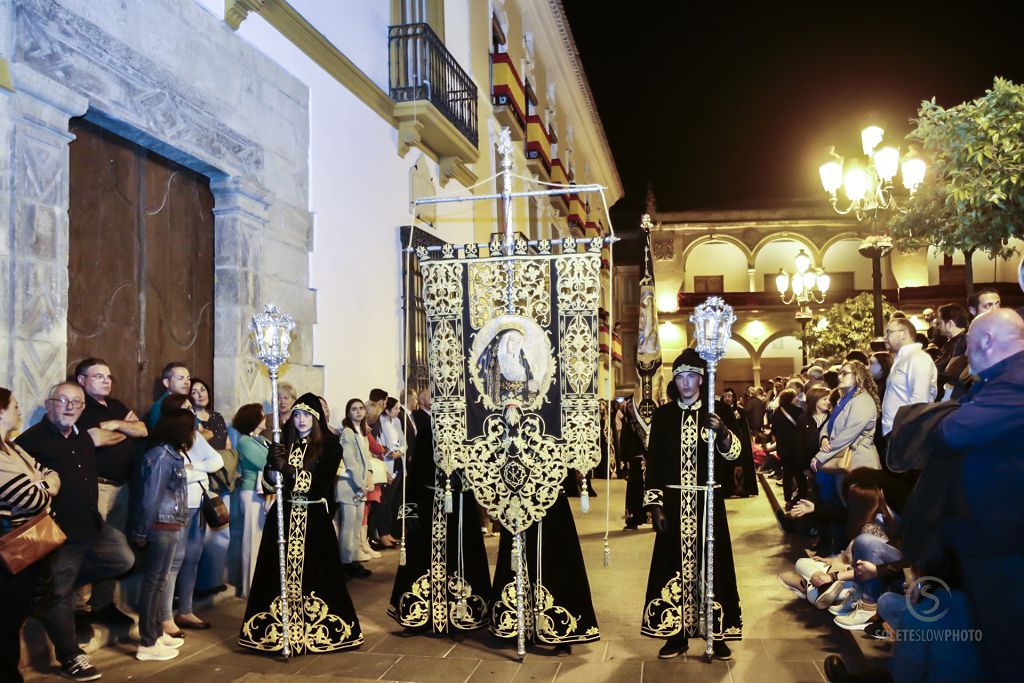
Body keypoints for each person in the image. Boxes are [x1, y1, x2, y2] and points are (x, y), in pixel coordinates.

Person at [16, 382, 135, 682]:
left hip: (92, 526)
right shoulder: (30, 441)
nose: (70, 407)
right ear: (48, 403)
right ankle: (70, 655)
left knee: (122, 558)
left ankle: (50, 588)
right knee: (59, 591)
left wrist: (129, 426)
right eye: (63, 401)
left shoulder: (83, 437)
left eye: (77, 403)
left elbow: (113, 437)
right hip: (59, 532)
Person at [934, 309, 1024, 682]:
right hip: (988, 536)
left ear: (986, 341)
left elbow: (953, 430)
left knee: (1008, 649)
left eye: (969, 342)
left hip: (1004, 540)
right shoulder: (997, 379)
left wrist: (947, 415)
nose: (964, 351)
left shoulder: (1016, 381)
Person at [239, 392, 363, 655]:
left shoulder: (331, 446)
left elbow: (319, 486)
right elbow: (270, 485)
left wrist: (289, 470)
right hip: (283, 518)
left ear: (316, 418)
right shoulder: (283, 441)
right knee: (277, 573)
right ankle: (278, 632)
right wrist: (271, 467)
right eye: (297, 414)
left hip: (313, 519)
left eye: (307, 415)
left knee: (317, 574)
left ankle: (314, 630)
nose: (301, 420)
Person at [641, 349, 742, 660]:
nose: (685, 382)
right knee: (672, 566)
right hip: (673, 504)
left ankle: (717, 632)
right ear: (675, 381)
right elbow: (654, 462)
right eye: (680, 377)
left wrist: (723, 433)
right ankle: (676, 634)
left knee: (715, 565)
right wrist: (654, 506)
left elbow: (735, 455)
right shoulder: (663, 416)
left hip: (708, 503)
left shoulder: (718, 414)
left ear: (701, 379)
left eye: (691, 376)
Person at [389, 389, 491, 638]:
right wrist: (409, 511)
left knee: (460, 557)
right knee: (422, 559)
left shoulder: (471, 434)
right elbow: (413, 474)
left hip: (460, 505)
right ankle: (419, 617)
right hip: (427, 504)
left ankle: (460, 616)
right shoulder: (426, 432)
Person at [73, 357, 147, 628]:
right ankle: (79, 609)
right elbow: (95, 438)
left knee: (114, 549)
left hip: (122, 488)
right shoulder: (81, 407)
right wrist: (126, 429)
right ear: (82, 381)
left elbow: (142, 429)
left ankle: (103, 605)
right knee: (90, 546)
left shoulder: (114, 406)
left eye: (108, 376)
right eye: (98, 376)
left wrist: (116, 425)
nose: (106, 381)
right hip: (97, 487)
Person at [1, 388, 61, 683]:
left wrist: (42, 484)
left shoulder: (12, 448)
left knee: (16, 616)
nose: (19, 410)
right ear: (0, 412)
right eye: (14, 405)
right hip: (10, 546)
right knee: (6, 621)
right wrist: (43, 487)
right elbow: (31, 498)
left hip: (31, 540)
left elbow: (51, 473)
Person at [156, 393, 223, 636]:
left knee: (192, 558)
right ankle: (165, 617)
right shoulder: (163, 443)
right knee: (173, 561)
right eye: (185, 409)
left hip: (198, 506)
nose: (191, 413)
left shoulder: (194, 437)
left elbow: (216, 461)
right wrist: (194, 473)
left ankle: (185, 609)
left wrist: (194, 468)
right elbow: (173, 475)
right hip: (176, 508)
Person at [132, 408, 193, 662]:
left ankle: (155, 633)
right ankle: (147, 642)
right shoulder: (161, 455)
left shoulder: (171, 453)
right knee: (154, 583)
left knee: (160, 582)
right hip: (160, 526)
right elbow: (151, 497)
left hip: (170, 524)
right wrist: (141, 531)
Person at [189, 378, 235, 597]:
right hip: (202, 478)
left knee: (221, 532)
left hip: (220, 476)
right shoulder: (190, 418)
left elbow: (227, 444)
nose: (200, 394)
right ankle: (199, 585)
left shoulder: (216, 416)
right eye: (195, 391)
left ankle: (214, 579)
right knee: (202, 535)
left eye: (203, 389)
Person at [230, 404, 269, 598]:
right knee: (251, 539)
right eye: (262, 415)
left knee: (261, 540)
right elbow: (266, 462)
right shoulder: (245, 442)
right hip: (252, 492)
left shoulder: (261, 439)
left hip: (263, 492)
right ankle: (249, 587)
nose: (265, 417)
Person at [880, 318, 936, 439]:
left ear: (904, 334)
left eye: (888, 332)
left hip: (905, 434)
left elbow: (920, 400)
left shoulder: (917, 358)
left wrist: (903, 431)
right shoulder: (903, 358)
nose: (884, 337)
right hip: (896, 432)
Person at [337, 398, 372, 578]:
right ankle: (344, 563)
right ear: (348, 413)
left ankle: (353, 561)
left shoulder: (362, 433)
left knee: (357, 525)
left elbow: (366, 460)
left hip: (361, 486)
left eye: (360, 408)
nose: (358, 412)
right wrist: (360, 484)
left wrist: (367, 481)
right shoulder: (348, 433)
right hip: (349, 486)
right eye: (353, 409)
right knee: (348, 527)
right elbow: (350, 462)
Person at [375, 397, 406, 548]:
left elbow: (403, 442)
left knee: (393, 500)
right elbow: (380, 444)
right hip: (386, 464)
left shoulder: (398, 422)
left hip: (398, 461)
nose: (399, 411)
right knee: (384, 501)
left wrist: (400, 451)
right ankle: (382, 534)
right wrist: (389, 453)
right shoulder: (379, 423)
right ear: (387, 410)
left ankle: (389, 532)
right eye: (395, 409)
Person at [618, 393, 649, 529]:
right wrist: (624, 466)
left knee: (649, 490)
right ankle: (632, 520)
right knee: (634, 493)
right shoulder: (627, 426)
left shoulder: (649, 426)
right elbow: (623, 446)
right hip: (634, 463)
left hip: (649, 463)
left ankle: (651, 518)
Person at [771, 388, 805, 506]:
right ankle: (802, 496)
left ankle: (787, 499)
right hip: (796, 447)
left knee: (787, 473)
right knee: (799, 473)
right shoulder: (799, 411)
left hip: (783, 448)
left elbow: (774, 430)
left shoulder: (777, 412)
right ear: (791, 398)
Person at [145, 362, 191, 429]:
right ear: (166, 382)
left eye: (188, 378)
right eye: (181, 378)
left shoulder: (188, 402)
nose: (187, 382)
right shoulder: (159, 406)